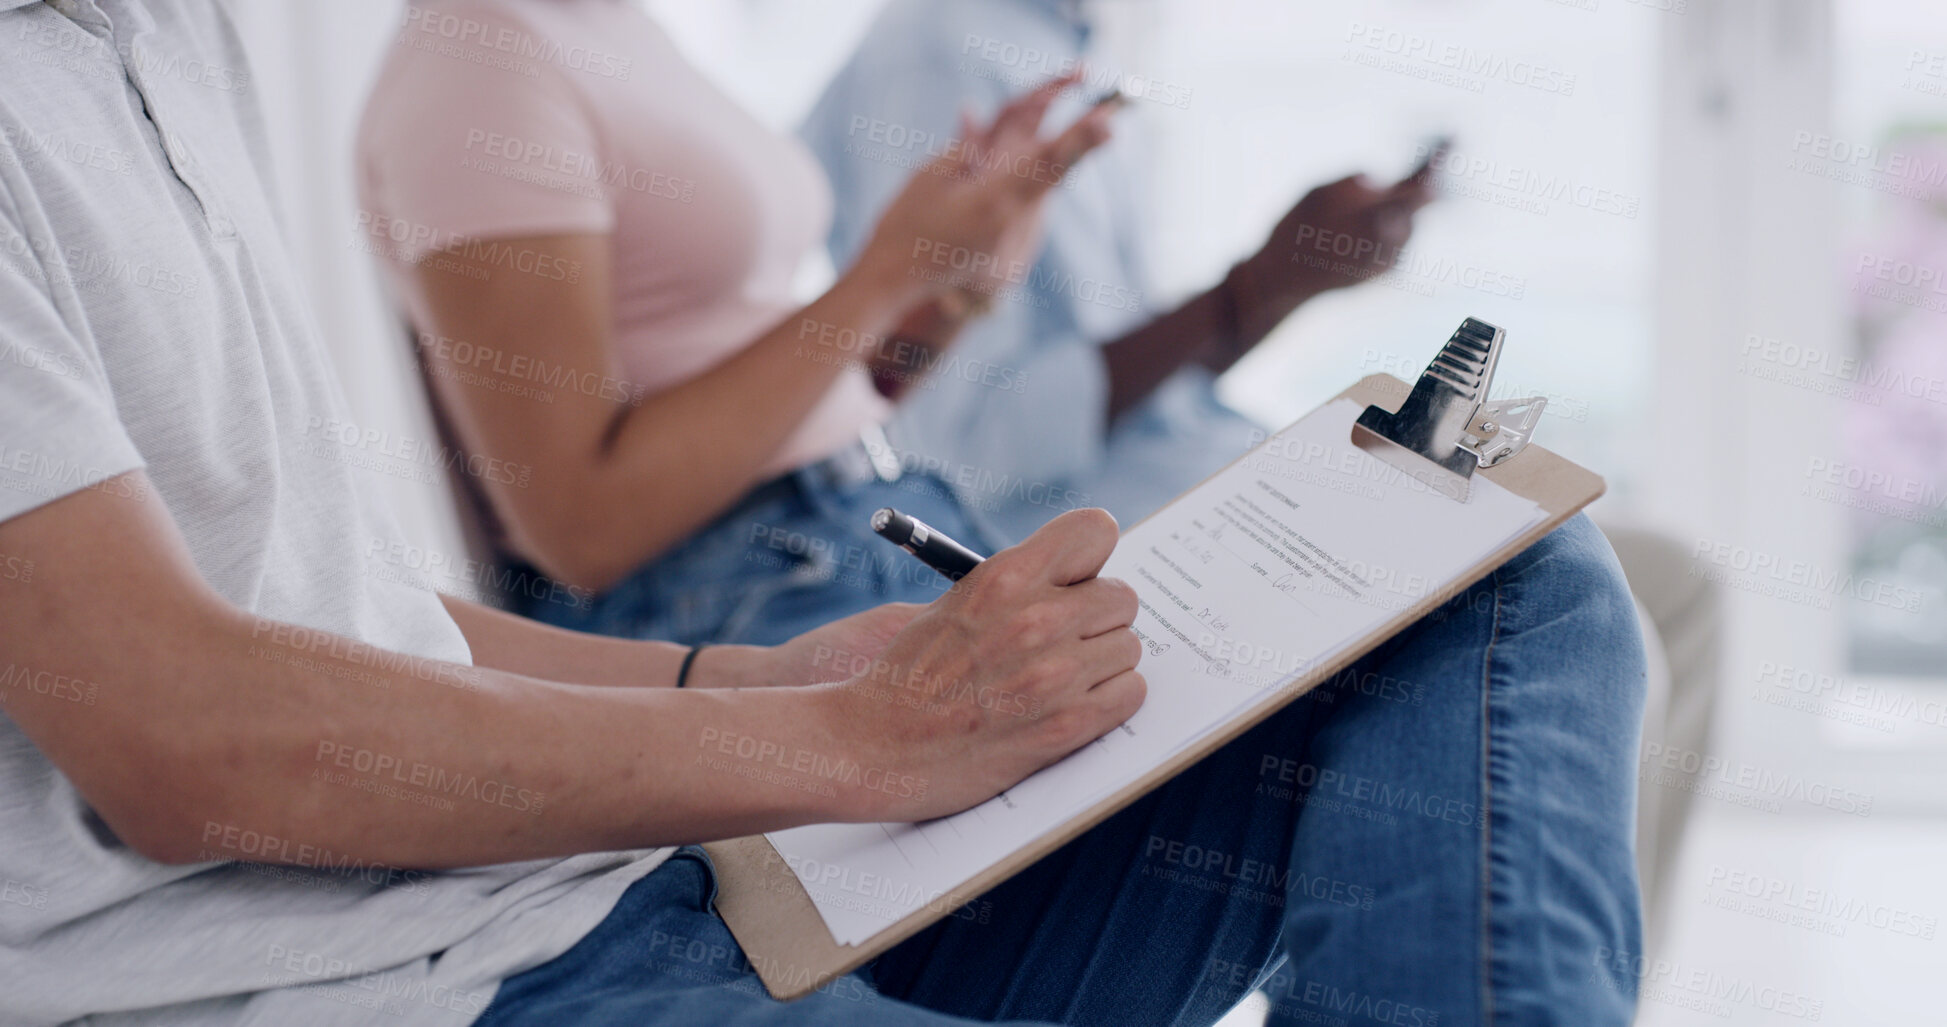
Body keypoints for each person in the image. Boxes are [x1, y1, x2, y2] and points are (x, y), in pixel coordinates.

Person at [0, 2, 1646, 1026]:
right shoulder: (465, 62)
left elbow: (341, 602)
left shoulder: (159, 39)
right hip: (425, 949)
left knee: (1514, 564)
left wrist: (774, 679)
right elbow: (558, 526)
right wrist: (857, 733)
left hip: (697, 770)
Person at [356, 0, 1114, 649]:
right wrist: (891, 268)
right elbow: (582, 526)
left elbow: (824, 389)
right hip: (744, 588)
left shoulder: (608, 29)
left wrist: (958, 283)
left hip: (867, 518)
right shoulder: (477, 73)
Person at [803, 0, 1436, 545]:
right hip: (1098, 559)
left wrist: (1289, 284)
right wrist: (1263, 282)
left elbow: (1139, 376)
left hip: (1200, 487)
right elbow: (961, 455)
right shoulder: (939, 61)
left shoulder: (1077, 50)